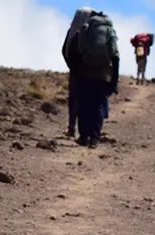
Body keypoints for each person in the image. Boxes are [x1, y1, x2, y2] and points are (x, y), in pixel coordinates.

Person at [64, 8, 120, 148]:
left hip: (85, 73)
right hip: (104, 76)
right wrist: (114, 81)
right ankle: (94, 138)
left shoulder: (85, 31)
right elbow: (116, 58)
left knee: (84, 105)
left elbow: (71, 50)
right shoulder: (110, 33)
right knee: (99, 106)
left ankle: (83, 137)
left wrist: (76, 69)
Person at [62, 7, 95, 138]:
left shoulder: (72, 31)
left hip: (75, 71)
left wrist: (71, 66)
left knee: (74, 100)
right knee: (87, 100)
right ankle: (87, 132)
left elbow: (64, 49)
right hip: (90, 72)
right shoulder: (93, 32)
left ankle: (71, 128)